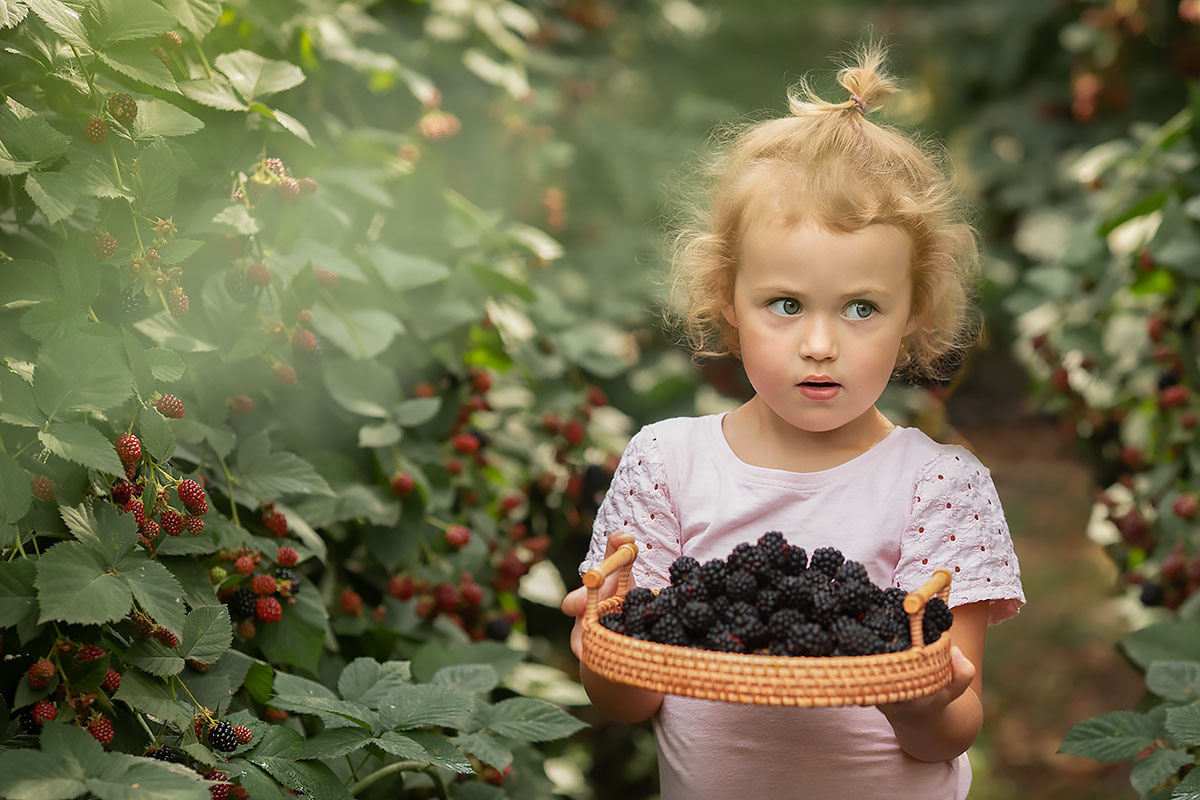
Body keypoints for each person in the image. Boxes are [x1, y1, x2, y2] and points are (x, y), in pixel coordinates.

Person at [559, 41, 1025, 800]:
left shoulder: (939, 486)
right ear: (726, 301)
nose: (819, 344)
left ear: (913, 316)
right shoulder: (666, 465)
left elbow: (952, 726)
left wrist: (918, 695)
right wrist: (601, 650)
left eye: (862, 308)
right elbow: (628, 701)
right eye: (785, 304)